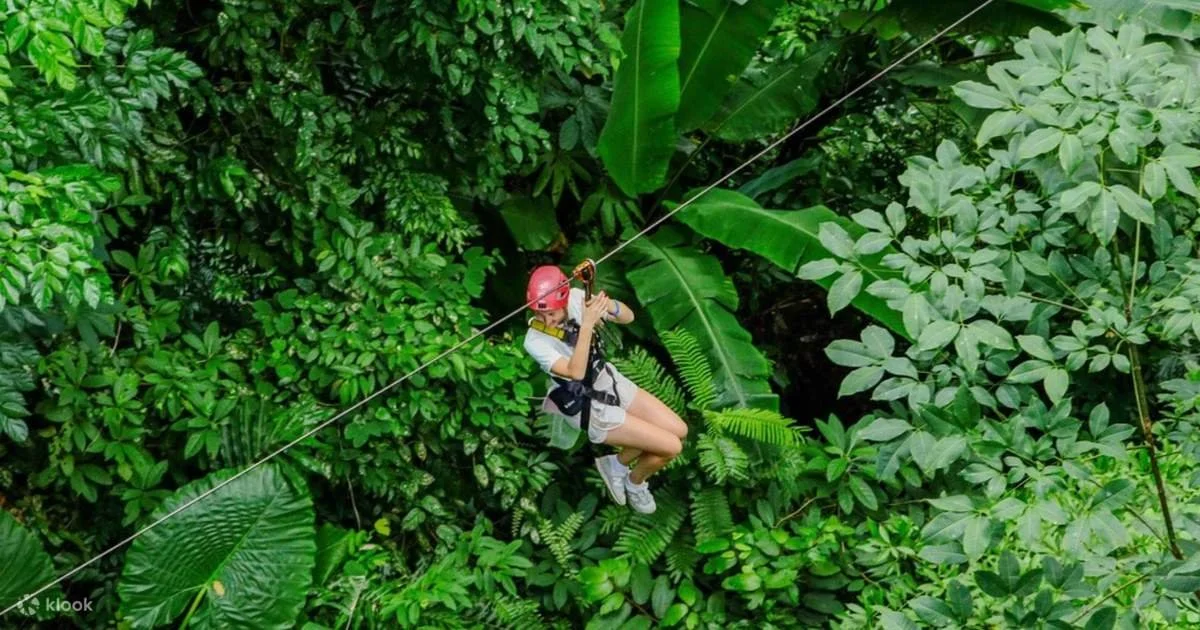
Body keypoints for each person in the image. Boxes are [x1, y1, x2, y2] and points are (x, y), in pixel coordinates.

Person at [522, 265, 688, 514]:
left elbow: (629, 317)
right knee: (672, 447)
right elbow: (575, 372)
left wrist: (608, 307)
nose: (547, 320)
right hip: (588, 405)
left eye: (552, 314)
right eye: (539, 313)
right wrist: (587, 324)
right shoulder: (535, 341)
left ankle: (617, 464)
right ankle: (635, 483)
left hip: (609, 381)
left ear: (565, 299)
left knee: (680, 430)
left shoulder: (578, 297)